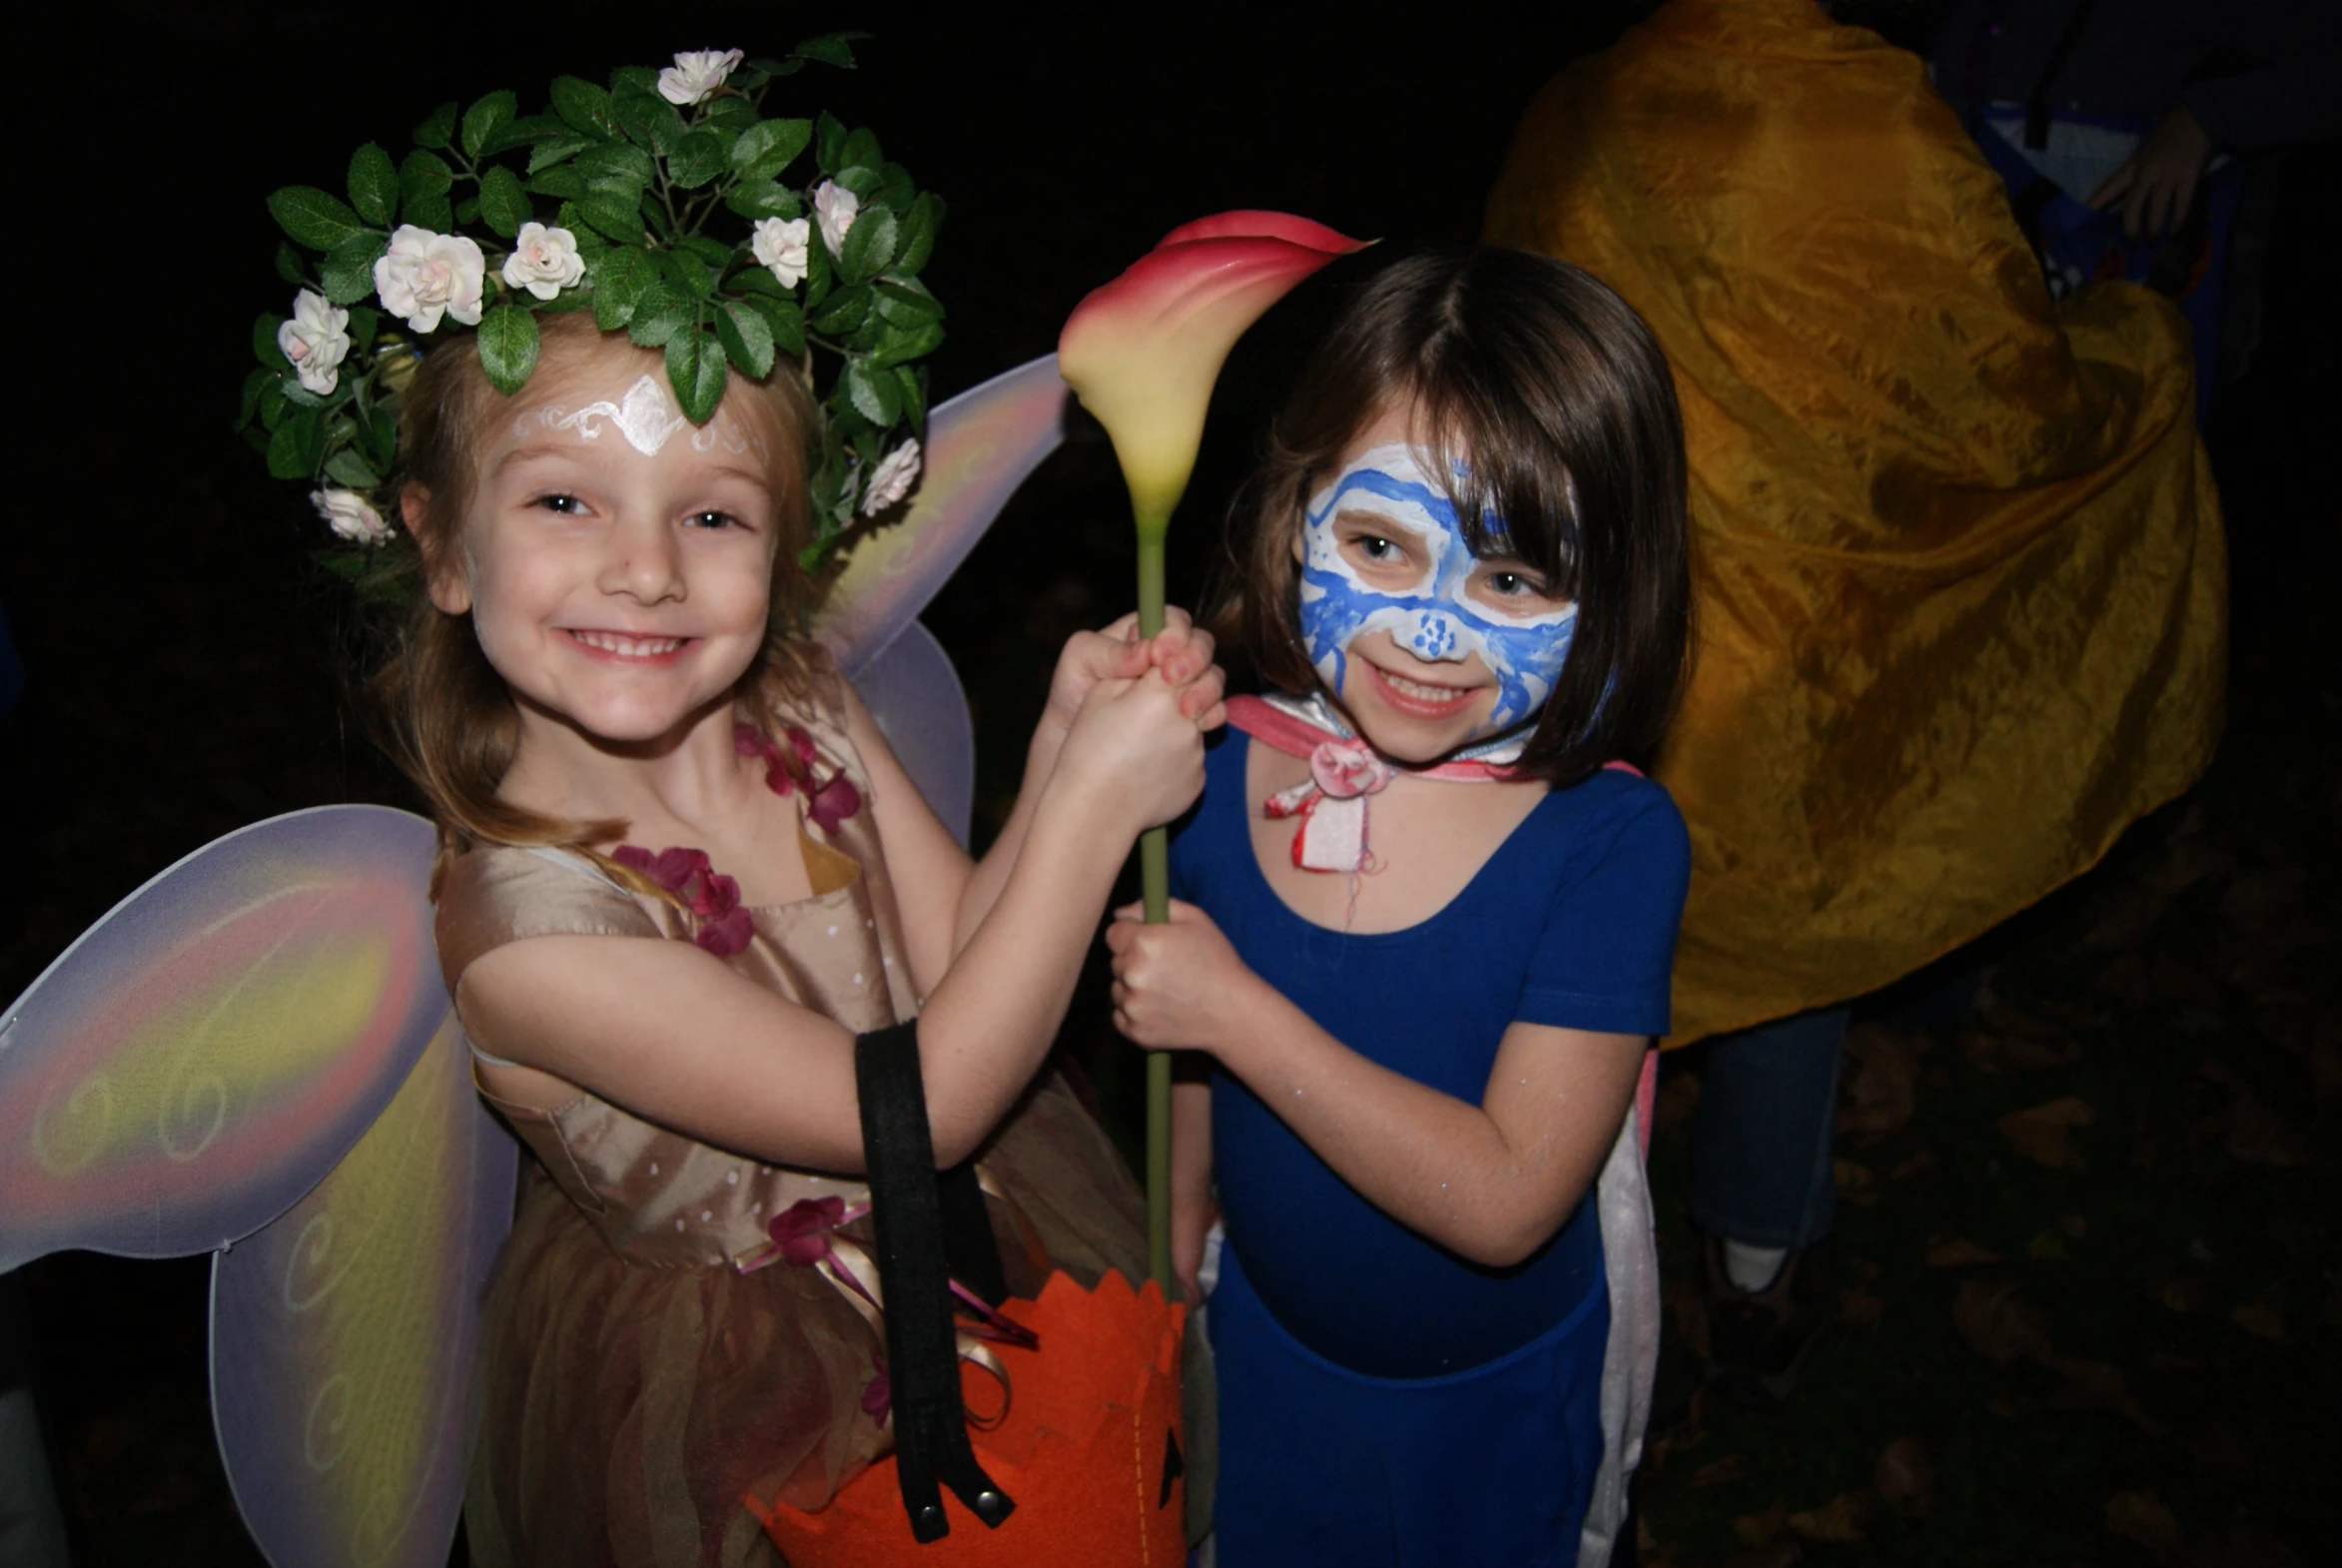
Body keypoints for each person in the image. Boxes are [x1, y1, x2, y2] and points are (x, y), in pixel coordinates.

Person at [1484, 0, 2225, 1405]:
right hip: (1783, 656)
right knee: (1778, 946)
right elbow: (2002, 393)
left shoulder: (1582, 101)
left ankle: (1536, 1235)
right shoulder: (1872, 122)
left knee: (1568, 929)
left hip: (1583, 630)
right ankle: (1753, 1273)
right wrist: (2134, 348)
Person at [399, 311, 1225, 1565]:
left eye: (713, 513)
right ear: (441, 547)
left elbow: (960, 959)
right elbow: (922, 1104)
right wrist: (1097, 814)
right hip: (755, 1397)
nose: (647, 569)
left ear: (785, 549)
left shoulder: (802, 711)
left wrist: (1062, 753)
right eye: (565, 502)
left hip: (980, 1241)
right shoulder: (528, 938)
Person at [1107, 249, 1693, 1568]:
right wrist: (1182, 1228)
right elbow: (1187, 1055)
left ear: (1614, 582)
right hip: (1256, 1352)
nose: (1433, 632)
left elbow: (1503, 1199)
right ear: (1297, 504)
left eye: (1511, 579)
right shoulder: (1208, 769)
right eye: (1379, 543)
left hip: (1482, 1415)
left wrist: (1236, 1013)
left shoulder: (1607, 847)